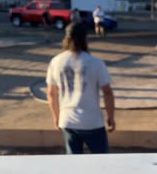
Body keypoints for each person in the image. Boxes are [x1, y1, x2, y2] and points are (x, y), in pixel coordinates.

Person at [46, 23, 116, 154]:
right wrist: (111, 117)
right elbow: (107, 92)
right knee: (101, 162)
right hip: (92, 122)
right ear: (85, 39)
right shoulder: (96, 63)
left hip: (68, 121)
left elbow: (51, 93)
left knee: (73, 165)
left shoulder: (56, 62)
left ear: (66, 39)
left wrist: (56, 117)